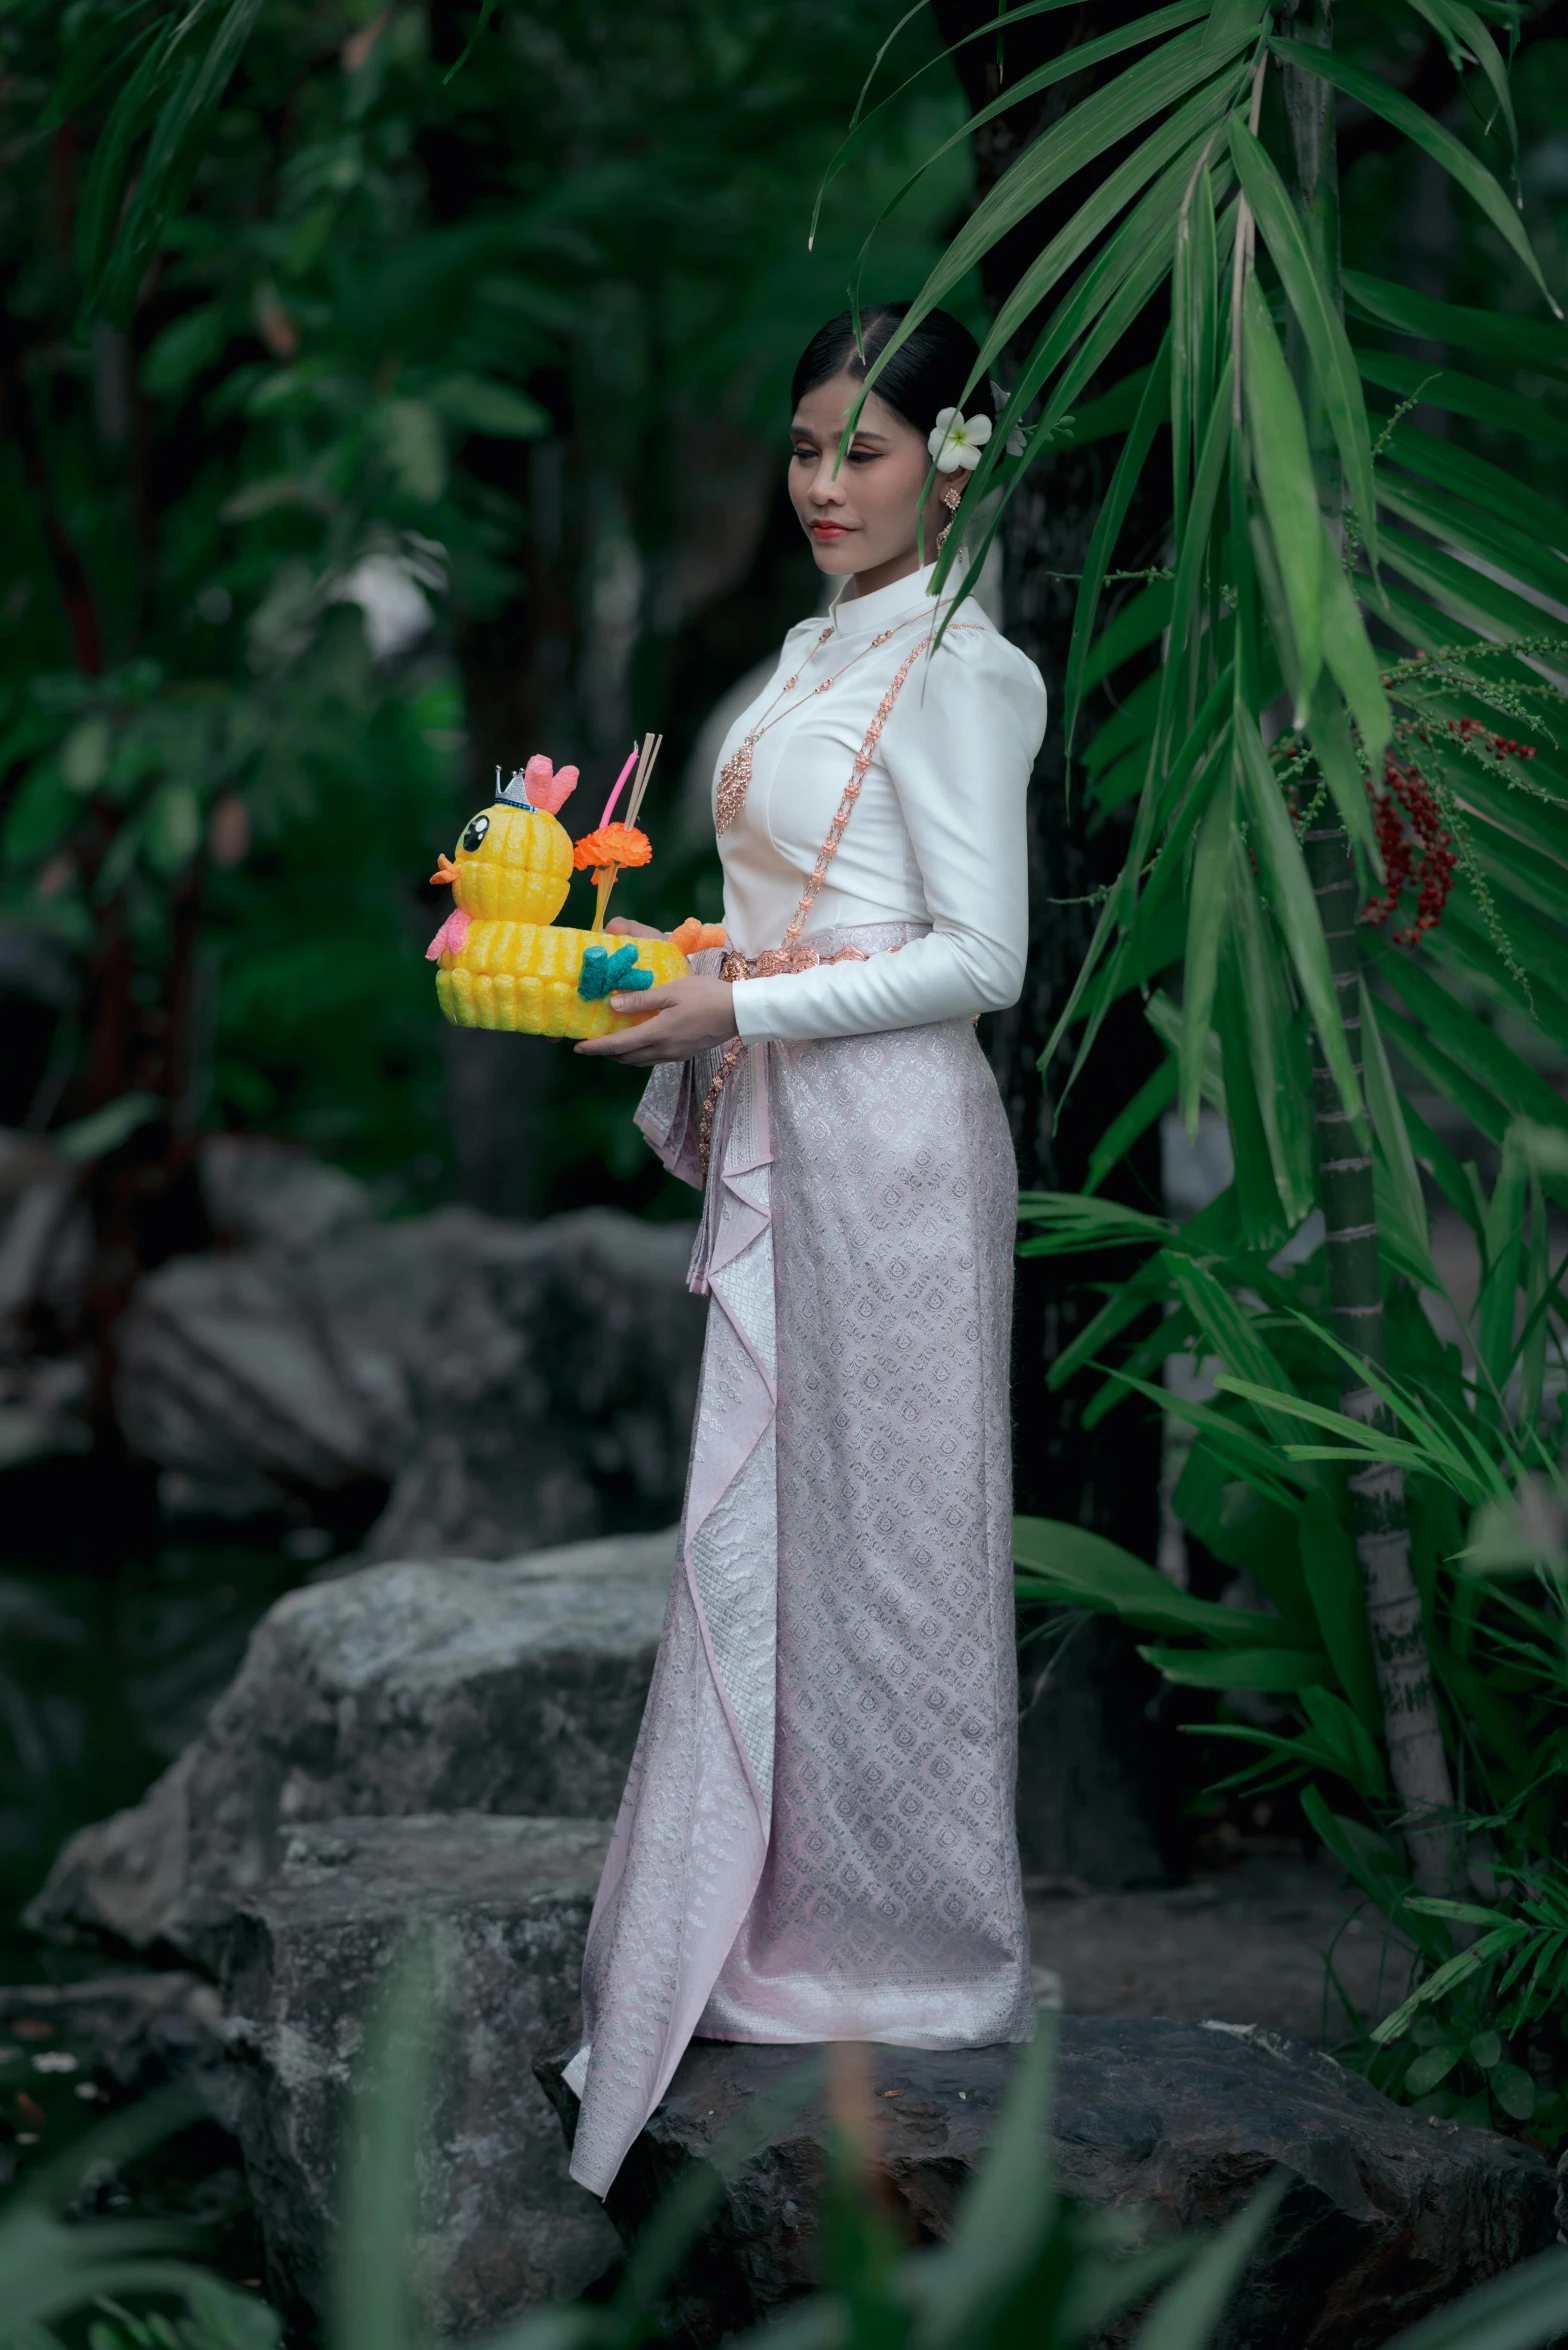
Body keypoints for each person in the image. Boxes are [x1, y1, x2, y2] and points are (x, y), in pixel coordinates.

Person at [561, 302, 1048, 2198]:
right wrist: (695, 971)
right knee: (794, 1545)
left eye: (864, 448)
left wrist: (735, 1017)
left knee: (900, 1559)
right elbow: (812, 908)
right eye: (804, 449)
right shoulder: (812, 650)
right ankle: (785, 1915)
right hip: (801, 1127)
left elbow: (981, 962)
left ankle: (922, 1949)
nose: (824, 484)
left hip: (900, 1152)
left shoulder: (962, 667)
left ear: (955, 455)